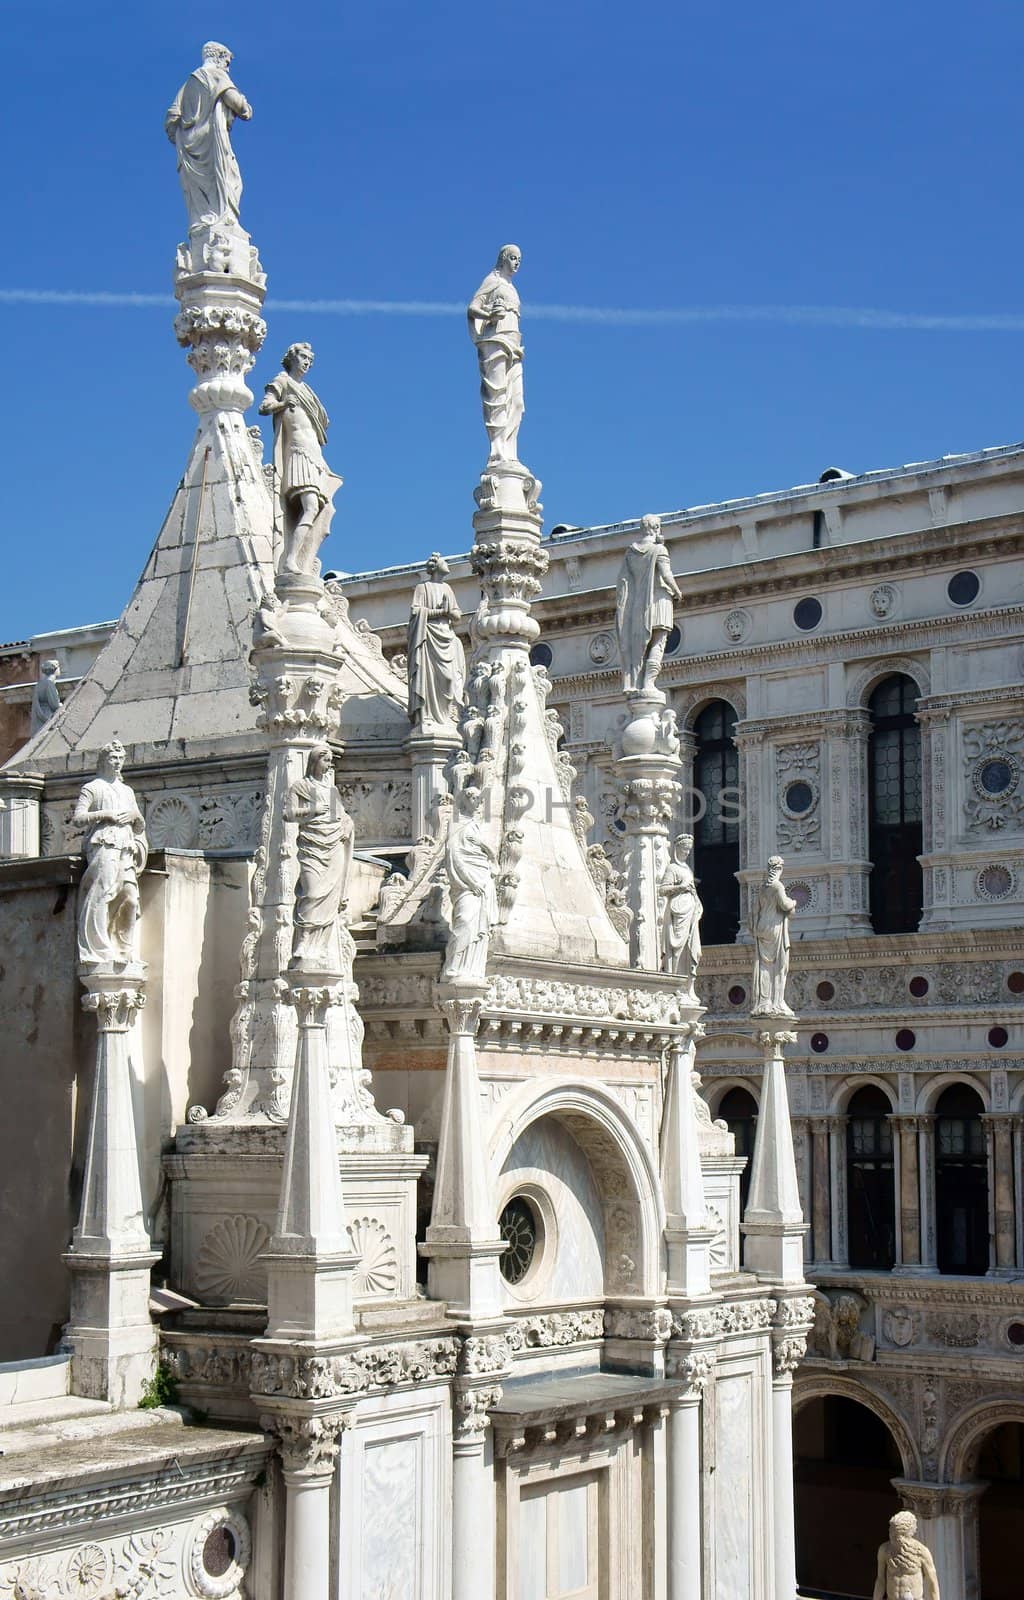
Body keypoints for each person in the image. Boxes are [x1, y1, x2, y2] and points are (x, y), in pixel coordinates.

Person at [259, 343, 340, 576]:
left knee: (319, 508)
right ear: (292, 358)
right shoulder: (283, 381)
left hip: (313, 452)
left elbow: (323, 421)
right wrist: (284, 403)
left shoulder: (307, 390)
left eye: (310, 360)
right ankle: (290, 559)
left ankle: (299, 560)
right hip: (297, 451)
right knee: (311, 506)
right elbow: (264, 407)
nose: (307, 363)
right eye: (304, 357)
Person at [72, 740, 148, 967]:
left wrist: (135, 815)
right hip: (103, 844)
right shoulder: (93, 787)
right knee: (102, 893)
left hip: (126, 846)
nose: (117, 763)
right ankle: (98, 948)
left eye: (120, 759)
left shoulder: (127, 791)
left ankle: (124, 948)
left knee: (131, 897)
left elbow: (140, 825)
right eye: (113, 758)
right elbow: (78, 818)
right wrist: (106, 814)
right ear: (104, 760)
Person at [165, 42, 252, 231]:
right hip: (213, 143)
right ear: (218, 57)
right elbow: (240, 107)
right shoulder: (215, 75)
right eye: (227, 62)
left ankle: (206, 222)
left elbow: (171, 118)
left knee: (201, 196)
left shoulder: (188, 84)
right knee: (230, 180)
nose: (227, 68)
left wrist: (184, 137)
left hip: (190, 148)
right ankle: (224, 220)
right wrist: (245, 104)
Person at [285, 745, 354, 969]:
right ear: (315, 761)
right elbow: (288, 814)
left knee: (329, 901)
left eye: (331, 761)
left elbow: (340, 817)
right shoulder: (301, 786)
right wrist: (312, 811)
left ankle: (319, 947)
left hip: (333, 846)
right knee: (312, 893)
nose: (329, 765)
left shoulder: (331, 791)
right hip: (312, 847)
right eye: (326, 760)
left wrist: (347, 823)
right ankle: (304, 942)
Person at [467, 245, 525, 465]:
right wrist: (490, 314)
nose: (517, 263)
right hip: (496, 342)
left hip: (515, 344)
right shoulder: (492, 281)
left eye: (519, 259)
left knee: (517, 402)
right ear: (503, 259)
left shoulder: (512, 287)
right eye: (513, 258)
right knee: (498, 398)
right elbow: (473, 308)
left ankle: (511, 453)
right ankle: (498, 452)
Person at [615, 515, 681, 695]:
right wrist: (677, 591)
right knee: (658, 643)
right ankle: (649, 683)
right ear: (657, 528)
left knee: (640, 646)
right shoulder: (659, 550)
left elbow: (623, 583)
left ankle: (636, 681)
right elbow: (666, 575)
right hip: (659, 600)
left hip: (637, 605)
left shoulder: (630, 552)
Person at [442, 787, 498, 981]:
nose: (478, 803)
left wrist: (484, 848)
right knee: (465, 920)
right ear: (465, 800)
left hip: (482, 879)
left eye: (480, 800)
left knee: (479, 927)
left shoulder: (476, 825)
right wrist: (470, 881)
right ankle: (454, 965)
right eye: (474, 798)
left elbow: (488, 853)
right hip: (467, 883)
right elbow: (453, 855)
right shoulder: (457, 822)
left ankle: (471, 967)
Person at [407, 554, 466, 731]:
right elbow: (416, 611)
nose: (447, 564)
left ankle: (446, 716)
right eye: (443, 561)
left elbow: (456, 615)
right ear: (436, 566)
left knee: (448, 679)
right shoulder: (422, 588)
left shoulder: (447, 588)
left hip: (445, 635)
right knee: (427, 676)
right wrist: (439, 612)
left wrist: (448, 612)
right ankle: (427, 715)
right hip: (428, 635)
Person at [750, 855, 797, 1016]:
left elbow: (754, 910)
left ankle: (764, 1001)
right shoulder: (777, 886)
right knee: (779, 965)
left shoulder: (763, 888)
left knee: (764, 965)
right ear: (778, 869)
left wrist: (754, 928)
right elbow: (785, 904)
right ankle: (777, 1002)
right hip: (775, 927)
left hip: (762, 927)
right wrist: (794, 903)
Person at [660, 833, 703, 992]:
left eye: (689, 850)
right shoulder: (672, 868)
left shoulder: (687, 869)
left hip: (689, 913)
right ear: (677, 848)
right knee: (676, 949)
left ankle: (686, 988)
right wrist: (680, 888)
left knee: (691, 950)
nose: (686, 852)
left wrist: (696, 902)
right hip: (677, 914)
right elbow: (662, 890)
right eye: (684, 849)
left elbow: (691, 889)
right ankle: (674, 985)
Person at [872, 1512, 940, 1600]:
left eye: (897, 1535)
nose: (892, 1536)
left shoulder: (921, 1552)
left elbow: (932, 1581)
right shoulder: (884, 1549)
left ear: (908, 1534)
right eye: (891, 1532)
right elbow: (880, 1579)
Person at [29, 659, 61, 736]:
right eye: (59, 667)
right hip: (47, 715)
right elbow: (54, 705)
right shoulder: (49, 683)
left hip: (40, 716)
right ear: (55, 669)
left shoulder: (39, 684)